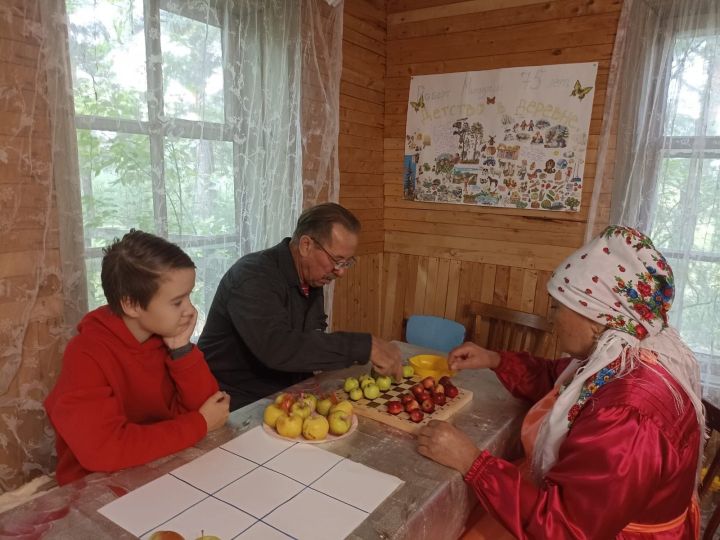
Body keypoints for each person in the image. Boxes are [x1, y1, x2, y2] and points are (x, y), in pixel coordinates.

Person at [417, 226, 704, 539]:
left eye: (557, 307)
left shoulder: (628, 414)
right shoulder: (623, 355)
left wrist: (472, 462)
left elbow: (564, 529)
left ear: (596, 319)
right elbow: (558, 381)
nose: (552, 318)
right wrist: (494, 359)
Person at [45, 230, 229, 485]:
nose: (190, 310)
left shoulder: (164, 335)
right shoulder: (86, 354)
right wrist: (199, 424)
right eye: (177, 302)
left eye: (189, 296)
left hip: (159, 467)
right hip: (97, 486)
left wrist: (182, 349)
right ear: (131, 305)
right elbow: (105, 450)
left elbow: (212, 408)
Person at [199, 203, 403, 410]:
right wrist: (363, 346)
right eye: (337, 260)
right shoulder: (252, 276)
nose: (341, 272)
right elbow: (278, 347)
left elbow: (306, 341)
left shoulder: (312, 276)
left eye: (347, 263)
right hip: (230, 403)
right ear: (306, 245)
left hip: (282, 395)